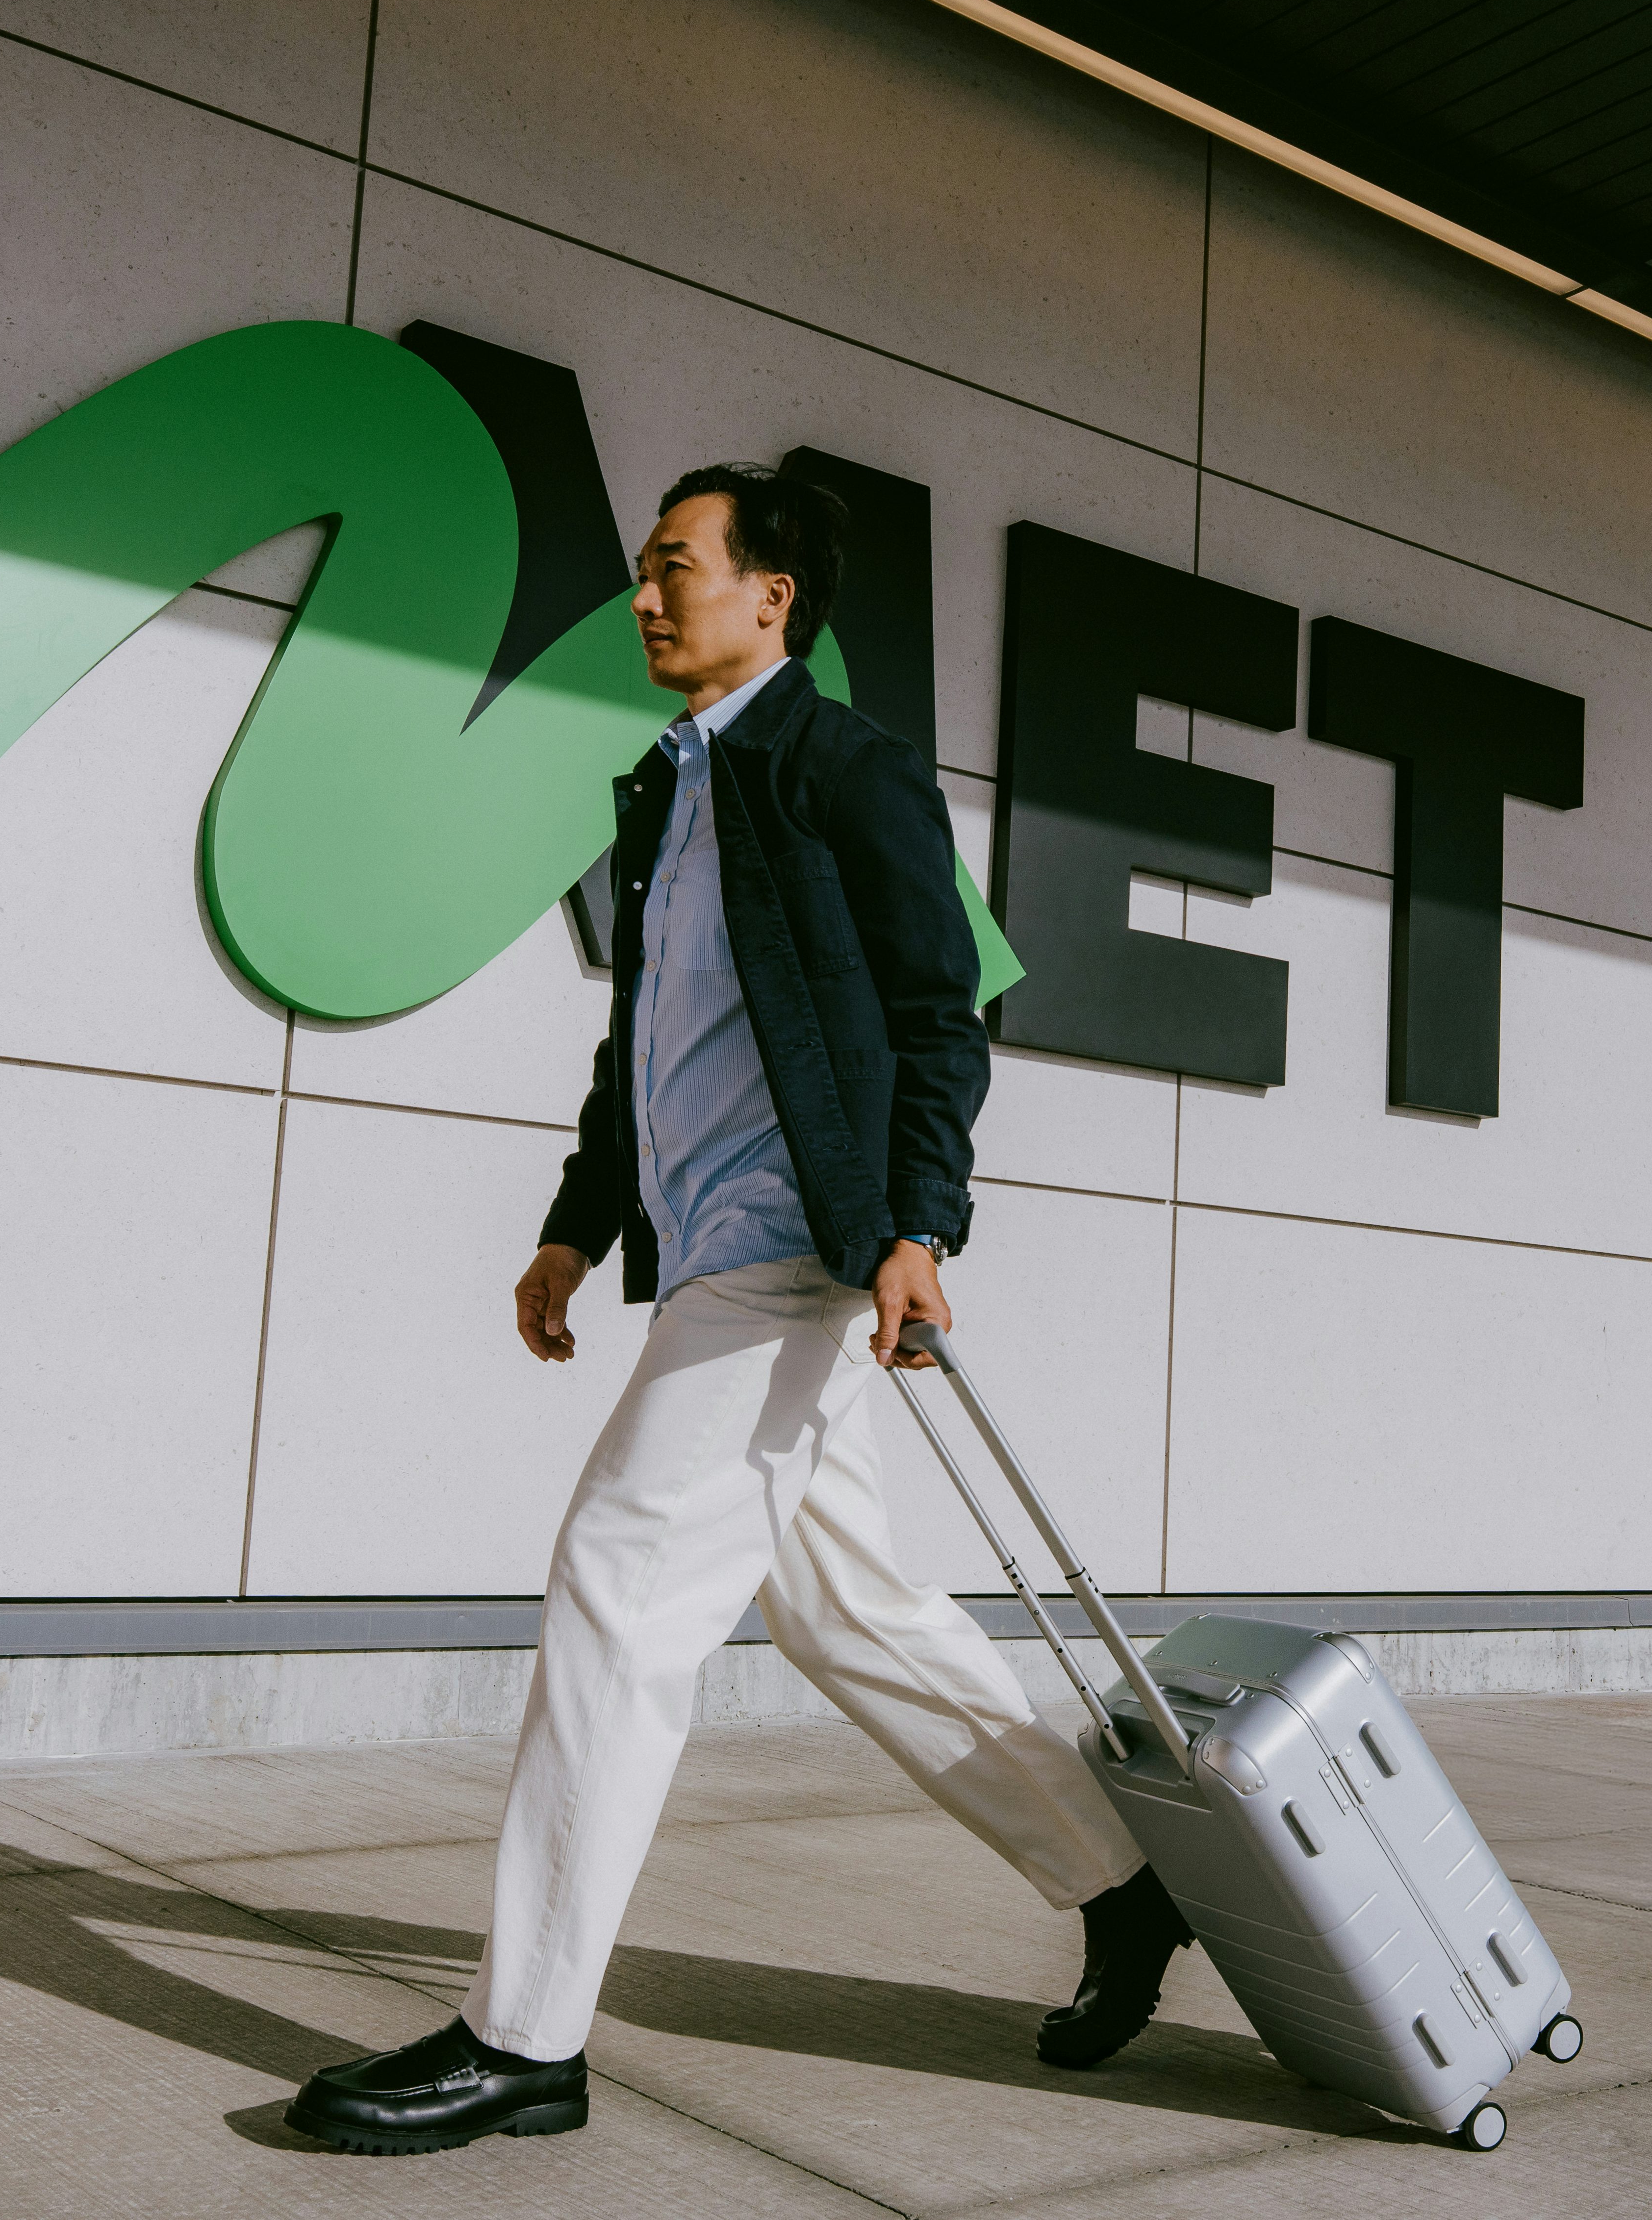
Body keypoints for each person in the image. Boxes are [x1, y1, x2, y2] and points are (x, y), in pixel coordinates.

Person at [284, 463, 1194, 2155]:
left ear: (772, 597)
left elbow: (940, 1013)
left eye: (674, 567)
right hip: (708, 1251)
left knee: (622, 1586)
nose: (646, 595)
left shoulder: (838, 769)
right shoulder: (670, 789)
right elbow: (647, 1055)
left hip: (798, 1254)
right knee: (846, 1609)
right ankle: (1124, 1881)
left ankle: (526, 2036)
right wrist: (574, 1226)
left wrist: (923, 1225)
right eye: (642, 569)